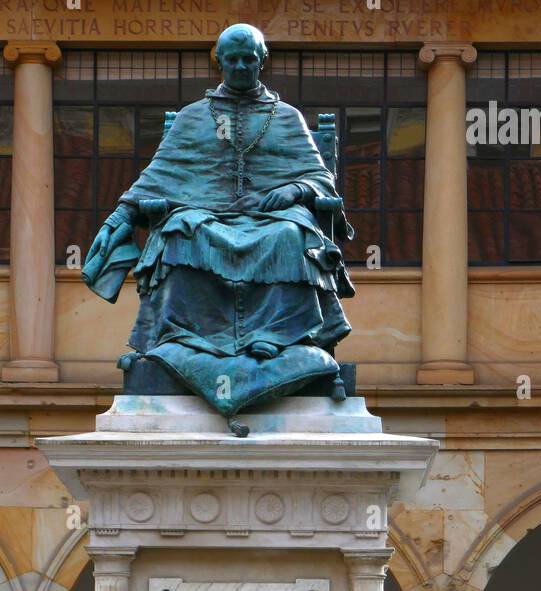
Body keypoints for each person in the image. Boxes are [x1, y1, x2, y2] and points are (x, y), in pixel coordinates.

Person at [82, 23, 355, 428]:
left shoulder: (286, 117)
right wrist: (121, 214)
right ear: (219, 62)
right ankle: (181, 338)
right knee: (181, 231)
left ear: (263, 61)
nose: (242, 67)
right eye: (233, 60)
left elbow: (319, 178)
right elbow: (160, 175)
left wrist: (296, 190)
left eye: (250, 59)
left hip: (272, 217)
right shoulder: (194, 118)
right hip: (204, 215)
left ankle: (282, 337)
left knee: (292, 234)